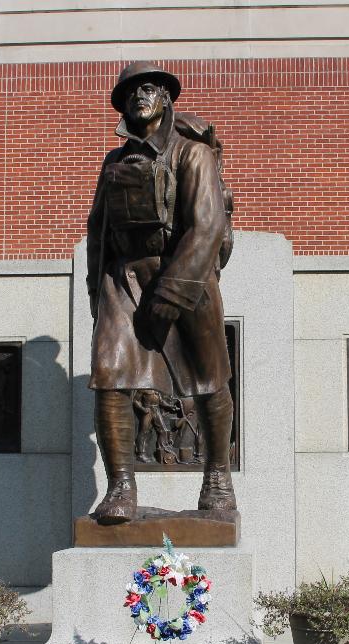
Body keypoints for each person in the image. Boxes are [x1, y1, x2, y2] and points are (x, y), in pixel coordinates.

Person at [86, 62, 236, 524]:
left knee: (210, 380)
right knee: (109, 376)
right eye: (130, 92)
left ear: (167, 99)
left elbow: (207, 225)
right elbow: (98, 228)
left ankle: (217, 476)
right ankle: (121, 487)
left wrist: (172, 291)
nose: (139, 97)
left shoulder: (193, 155)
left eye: (148, 89)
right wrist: (97, 288)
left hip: (184, 276)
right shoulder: (113, 163)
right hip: (123, 278)